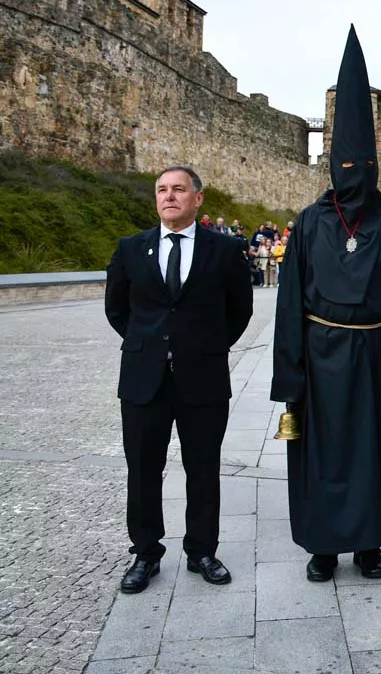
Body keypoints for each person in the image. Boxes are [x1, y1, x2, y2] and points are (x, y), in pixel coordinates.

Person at [271, 27, 381, 583]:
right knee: (323, 450)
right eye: (344, 167)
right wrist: (289, 371)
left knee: (374, 450)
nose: (353, 178)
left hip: (375, 353)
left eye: (361, 167)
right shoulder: (312, 222)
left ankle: (370, 543)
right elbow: (290, 301)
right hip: (320, 354)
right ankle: (323, 544)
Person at [104, 166, 253, 594]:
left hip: (202, 378)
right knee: (143, 469)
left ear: (197, 198)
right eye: (162, 190)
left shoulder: (224, 251)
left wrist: (205, 347)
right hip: (143, 379)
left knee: (203, 469)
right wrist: (148, 345)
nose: (169, 196)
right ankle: (146, 552)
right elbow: (118, 310)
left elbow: (238, 311)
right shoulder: (132, 249)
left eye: (178, 189)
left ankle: (202, 550)